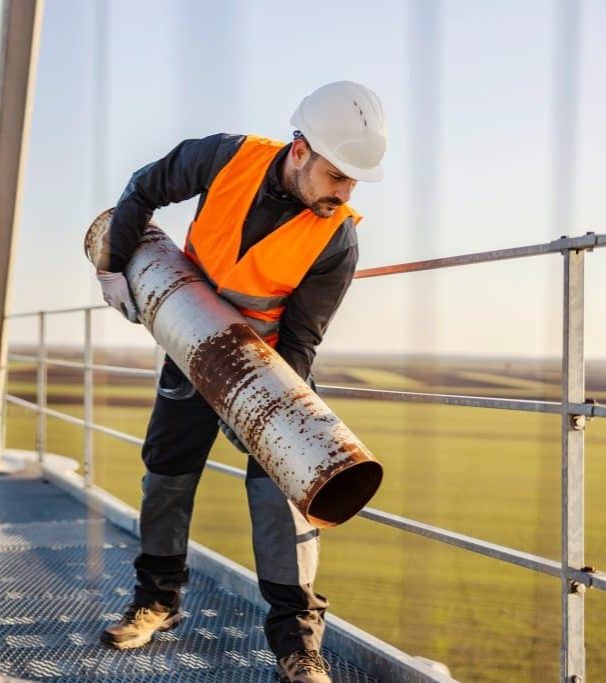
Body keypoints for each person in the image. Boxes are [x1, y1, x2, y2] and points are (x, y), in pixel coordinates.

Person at [93, 81, 387, 683]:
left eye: (354, 181)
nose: (344, 193)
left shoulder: (338, 238)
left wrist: (267, 414)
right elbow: (144, 188)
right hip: (189, 347)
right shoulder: (226, 157)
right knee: (167, 473)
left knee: (279, 497)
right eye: (337, 176)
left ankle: (297, 646)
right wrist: (114, 264)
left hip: (269, 370)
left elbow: (303, 337)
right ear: (300, 151)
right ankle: (157, 602)